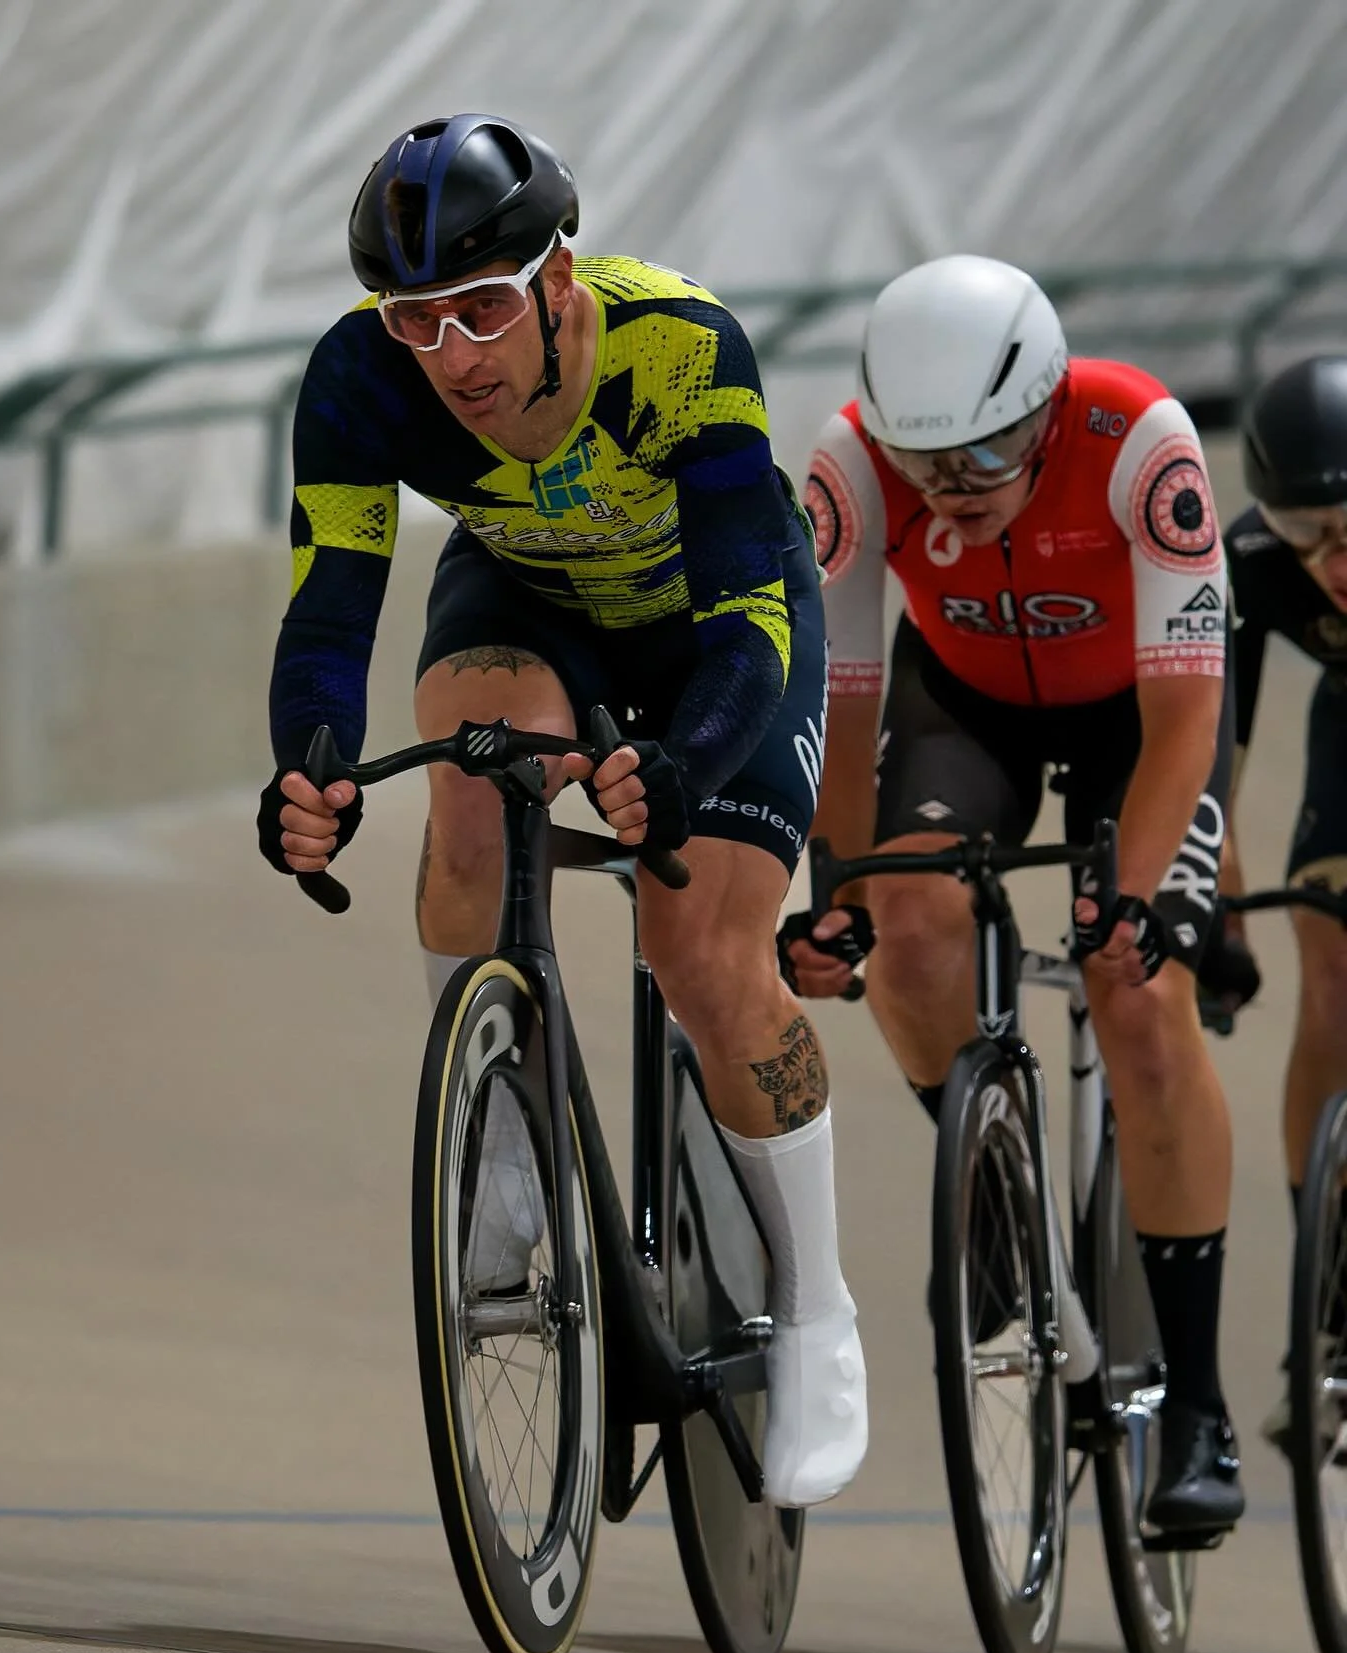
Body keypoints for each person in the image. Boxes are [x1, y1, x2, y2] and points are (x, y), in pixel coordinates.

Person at [255, 112, 866, 1507]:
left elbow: (746, 634)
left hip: (716, 628)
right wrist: (313, 764)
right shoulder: (360, 381)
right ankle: (505, 1163)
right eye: (417, 320)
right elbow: (330, 608)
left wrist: (690, 763)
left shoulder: (680, 348)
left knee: (703, 952)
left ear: (558, 279)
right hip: (534, 596)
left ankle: (823, 1306)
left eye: (481, 308)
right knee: (472, 789)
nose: (454, 355)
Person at [781, 253, 1244, 1533]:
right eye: (927, 465)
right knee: (915, 926)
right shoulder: (851, 463)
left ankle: (1198, 1405)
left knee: (1137, 994)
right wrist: (843, 895)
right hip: (964, 700)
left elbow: (1189, 718)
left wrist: (1135, 902)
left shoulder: (1142, 440)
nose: (949, 492)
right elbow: (845, 694)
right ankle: (991, 1189)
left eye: (983, 459)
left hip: (1135, 727)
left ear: (1045, 411)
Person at [1209, 354, 1347, 1450]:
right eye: (1309, 535)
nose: (1333, 565)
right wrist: (1222, 916)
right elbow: (1215, 757)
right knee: (1332, 986)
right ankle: (1331, 1300)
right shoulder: (1253, 566)